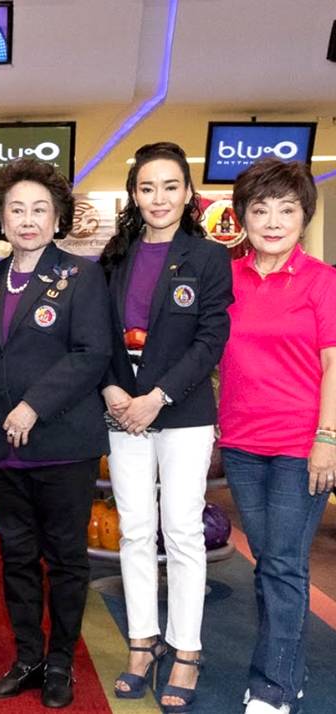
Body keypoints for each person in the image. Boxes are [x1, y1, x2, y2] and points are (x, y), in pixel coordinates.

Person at [0, 158, 112, 708]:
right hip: (2, 450)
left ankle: (60, 662)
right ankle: (27, 658)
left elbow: (92, 353)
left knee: (65, 559)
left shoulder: (82, 276)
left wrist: (33, 406)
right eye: (16, 209)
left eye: (40, 209)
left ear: (58, 218)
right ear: (0, 218)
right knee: (16, 557)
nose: (28, 219)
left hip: (63, 446)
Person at [100, 142, 232, 712]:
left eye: (170, 186)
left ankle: (185, 649)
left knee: (180, 530)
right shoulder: (115, 256)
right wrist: (112, 390)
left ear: (188, 193)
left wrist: (157, 397)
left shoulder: (208, 258)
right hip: (121, 410)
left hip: (181, 411)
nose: (158, 198)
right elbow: (97, 334)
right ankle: (142, 642)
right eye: (147, 187)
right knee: (133, 530)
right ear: (134, 194)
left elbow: (210, 339)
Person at [218, 158, 336, 714]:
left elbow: (334, 364)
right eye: (260, 209)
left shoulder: (323, 281)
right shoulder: (226, 278)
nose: (272, 221)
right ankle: (289, 669)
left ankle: (273, 686)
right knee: (270, 562)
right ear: (242, 216)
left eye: (286, 210)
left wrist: (327, 438)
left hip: (299, 445)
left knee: (283, 564)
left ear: (303, 217)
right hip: (242, 444)